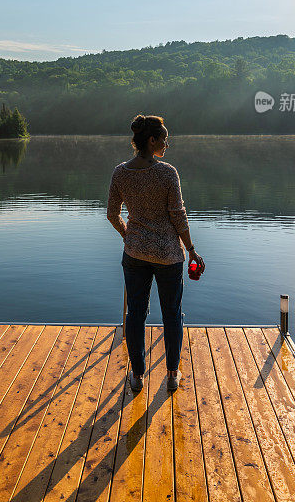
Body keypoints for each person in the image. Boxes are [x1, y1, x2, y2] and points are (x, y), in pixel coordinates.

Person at [106, 114, 205, 392]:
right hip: (168, 256)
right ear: (152, 140)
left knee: (135, 314)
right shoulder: (167, 173)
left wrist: (129, 236)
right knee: (172, 314)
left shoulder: (120, 173)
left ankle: (137, 376)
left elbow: (112, 214)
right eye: (164, 139)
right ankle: (172, 374)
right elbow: (178, 215)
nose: (166, 144)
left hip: (135, 253)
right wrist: (192, 250)